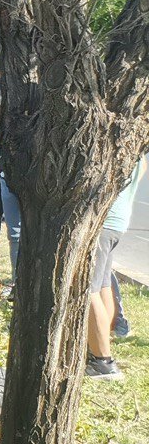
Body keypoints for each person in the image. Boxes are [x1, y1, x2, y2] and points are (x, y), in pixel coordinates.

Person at [87, 157, 145, 381]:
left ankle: (103, 361)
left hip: (103, 222)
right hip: (117, 223)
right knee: (102, 286)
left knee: (87, 290)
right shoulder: (136, 151)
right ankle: (99, 346)